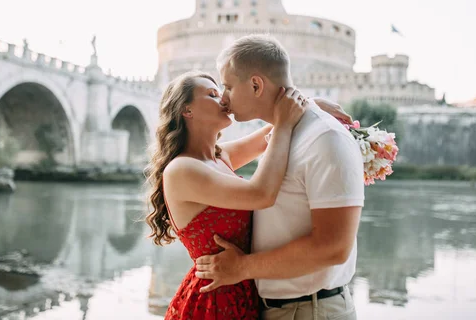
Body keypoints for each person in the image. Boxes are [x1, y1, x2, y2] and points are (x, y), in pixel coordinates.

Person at [145, 71, 351, 319]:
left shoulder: (220, 157)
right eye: (211, 95)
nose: (223, 100)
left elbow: (266, 137)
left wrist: (311, 105)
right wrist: (285, 125)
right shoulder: (182, 169)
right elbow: (261, 194)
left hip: (245, 290)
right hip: (214, 299)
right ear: (186, 110)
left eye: (221, 92)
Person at [195, 34, 365, 320]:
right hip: (286, 308)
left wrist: (242, 268)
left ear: (256, 85)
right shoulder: (284, 133)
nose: (224, 98)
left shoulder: (326, 138)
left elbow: (333, 248)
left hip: (310, 310)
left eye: (227, 87)